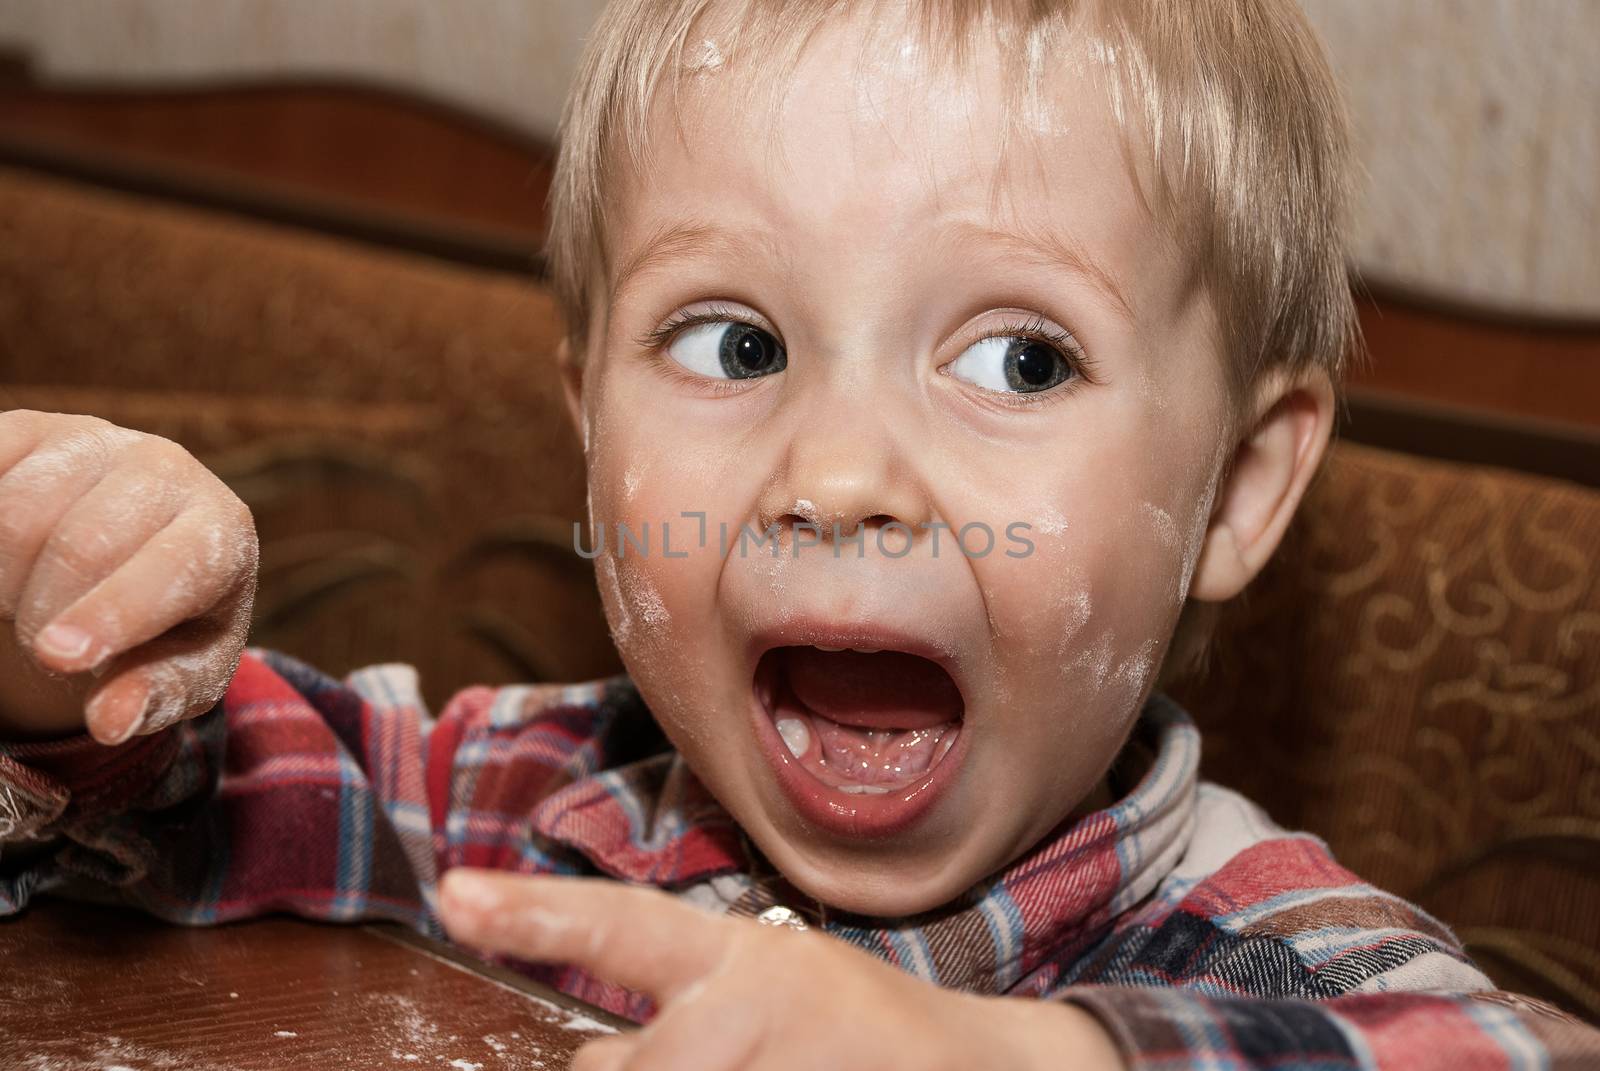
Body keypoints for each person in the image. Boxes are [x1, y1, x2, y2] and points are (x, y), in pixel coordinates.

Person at [2, 1, 1596, 1066]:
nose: (835, 476)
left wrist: (1030, 1058)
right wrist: (62, 666)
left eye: (1021, 359)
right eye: (736, 345)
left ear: (1241, 489)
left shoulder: (1271, 956)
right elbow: (189, 801)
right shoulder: (530, 807)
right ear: (587, 421)